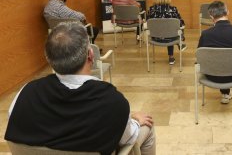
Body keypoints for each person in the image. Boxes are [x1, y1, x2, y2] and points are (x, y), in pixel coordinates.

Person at [5, 22, 156, 155]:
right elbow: (128, 137)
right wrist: (134, 121)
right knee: (146, 128)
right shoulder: (112, 102)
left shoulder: (25, 94)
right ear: (90, 55)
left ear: (49, 59)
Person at [198, 1, 232, 104]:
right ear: (228, 12)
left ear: (211, 16)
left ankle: (226, 93)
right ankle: (226, 92)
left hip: (211, 76)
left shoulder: (205, 34)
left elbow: (200, 58)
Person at [147, 0, 186, 65]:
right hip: (171, 38)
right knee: (173, 29)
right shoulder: (173, 9)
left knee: (167, 29)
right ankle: (173, 54)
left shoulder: (151, 10)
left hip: (155, 37)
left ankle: (178, 45)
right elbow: (181, 24)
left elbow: (148, 24)